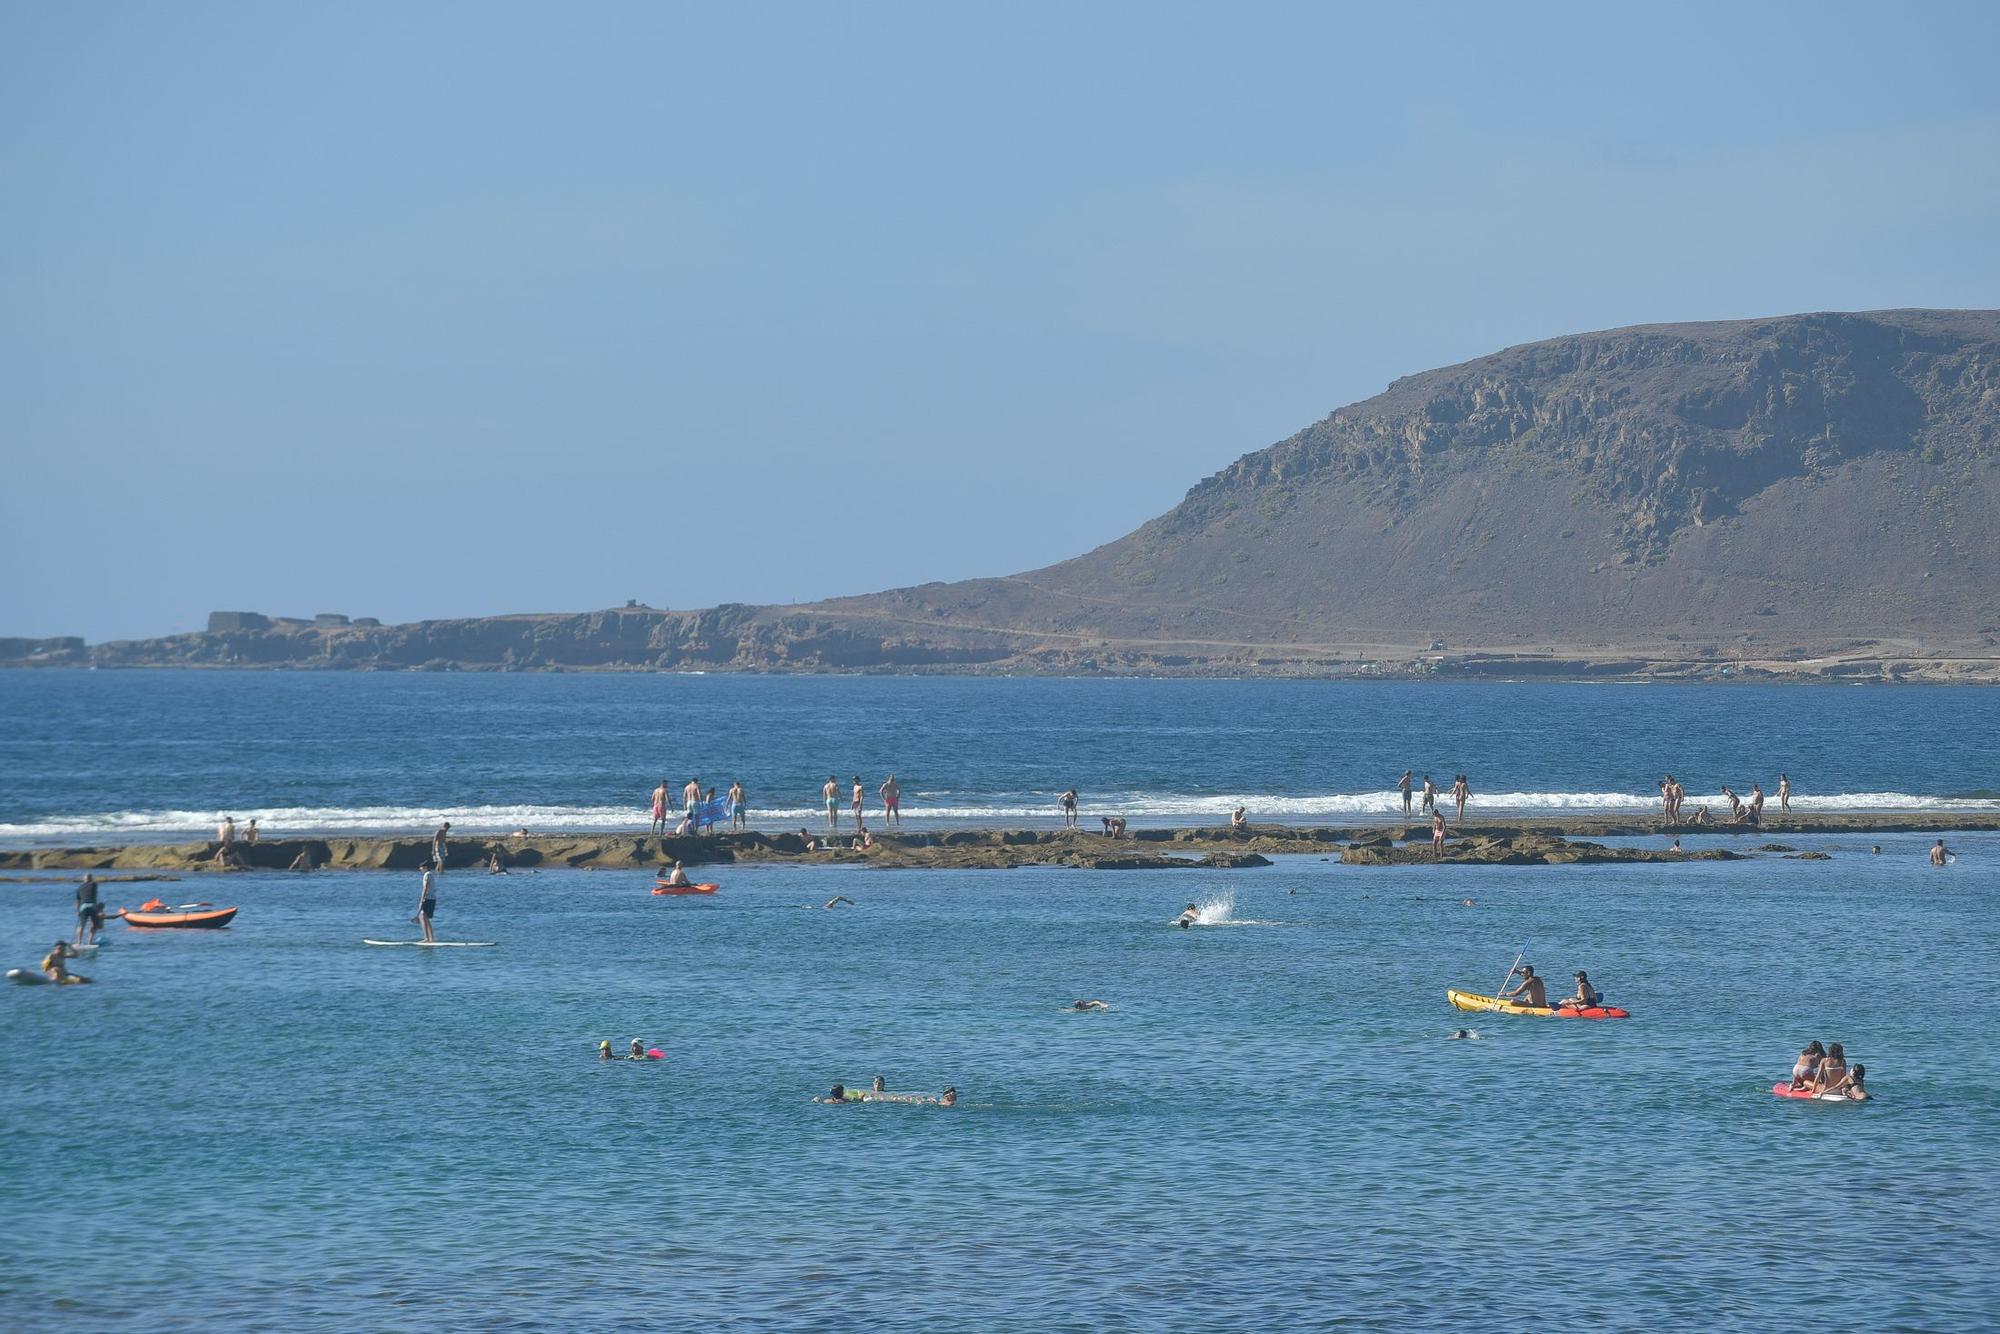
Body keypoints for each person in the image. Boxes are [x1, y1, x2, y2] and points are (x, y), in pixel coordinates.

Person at [74, 873, 104, 946]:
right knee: (94, 925)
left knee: (81, 925)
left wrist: (77, 911)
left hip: (83, 907)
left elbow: (77, 901)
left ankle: (78, 942)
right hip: (92, 906)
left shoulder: (79, 888)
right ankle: (89, 942)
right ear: (91, 879)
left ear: (84, 879)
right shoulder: (94, 884)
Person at [416, 860, 438, 943]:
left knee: (422, 916)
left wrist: (422, 900)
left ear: (425, 867)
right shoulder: (431, 874)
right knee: (425, 918)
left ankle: (427, 938)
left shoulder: (427, 875)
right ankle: (431, 939)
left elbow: (425, 887)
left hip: (428, 898)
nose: (420, 869)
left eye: (421, 867)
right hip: (432, 898)